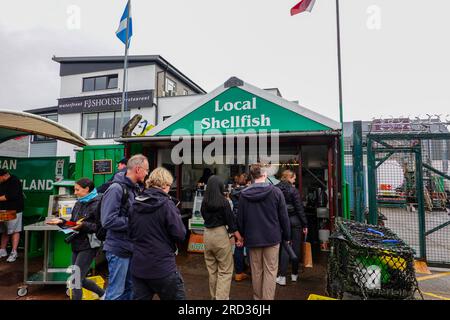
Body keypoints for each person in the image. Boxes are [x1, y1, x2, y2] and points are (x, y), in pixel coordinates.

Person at [129, 167, 187, 300]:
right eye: (169, 185)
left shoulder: (135, 204)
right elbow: (180, 234)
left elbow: (131, 233)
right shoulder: (167, 205)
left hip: (139, 267)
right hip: (163, 267)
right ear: (166, 185)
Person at [237, 163, 290, 300]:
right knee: (271, 271)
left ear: (252, 177)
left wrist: (241, 236)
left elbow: (240, 219)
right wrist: (287, 235)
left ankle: (257, 299)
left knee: (256, 271)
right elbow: (284, 217)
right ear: (265, 175)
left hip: (252, 238)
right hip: (272, 237)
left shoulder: (244, 194)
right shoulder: (276, 192)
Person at [47, 178, 105, 300]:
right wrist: (61, 222)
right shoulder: (79, 202)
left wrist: (83, 225)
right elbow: (73, 223)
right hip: (76, 243)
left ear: (87, 189)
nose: (75, 192)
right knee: (79, 278)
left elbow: (100, 227)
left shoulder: (99, 202)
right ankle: (103, 294)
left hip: (89, 244)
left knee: (75, 279)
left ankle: (103, 294)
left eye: (77, 189)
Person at [101, 154, 148, 300]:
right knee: (115, 293)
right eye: (146, 170)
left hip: (130, 248)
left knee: (130, 290)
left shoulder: (135, 188)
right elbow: (107, 221)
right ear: (138, 169)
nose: (147, 173)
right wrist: (134, 221)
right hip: (118, 249)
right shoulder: (116, 189)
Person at [201, 175, 243, 300]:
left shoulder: (204, 202)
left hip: (207, 235)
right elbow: (231, 223)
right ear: (220, 187)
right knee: (225, 270)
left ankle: (214, 296)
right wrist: (239, 238)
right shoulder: (224, 202)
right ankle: (221, 298)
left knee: (212, 270)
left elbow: (204, 217)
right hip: (220, 235)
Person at [275, 170, 308, 286]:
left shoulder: (275, 189)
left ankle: (282, 276)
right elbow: (299, 209)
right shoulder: (294, 190)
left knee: (285, 247)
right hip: (295, 221)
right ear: (289, 178)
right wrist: (305, 224)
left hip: (282, 222)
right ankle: (294, 275)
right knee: (296, 247)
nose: (295, 180)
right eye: (294, 178)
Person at [0, 169, 25, 263]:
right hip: (3, 210)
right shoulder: (2, 182)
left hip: (14, 210)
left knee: (14, 231)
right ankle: (2, 250)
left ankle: (14, 252)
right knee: (4, 230)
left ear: (4, 175)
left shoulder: (14, 181)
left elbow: (10, 196)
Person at [230, 173, 251, 282]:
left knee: (238, 246)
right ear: (248, 182)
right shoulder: (249, 192)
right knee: (249, 247)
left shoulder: (233, 192)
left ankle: (238, 273)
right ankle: (252, 270)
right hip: (247, 220)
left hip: (236, 221)